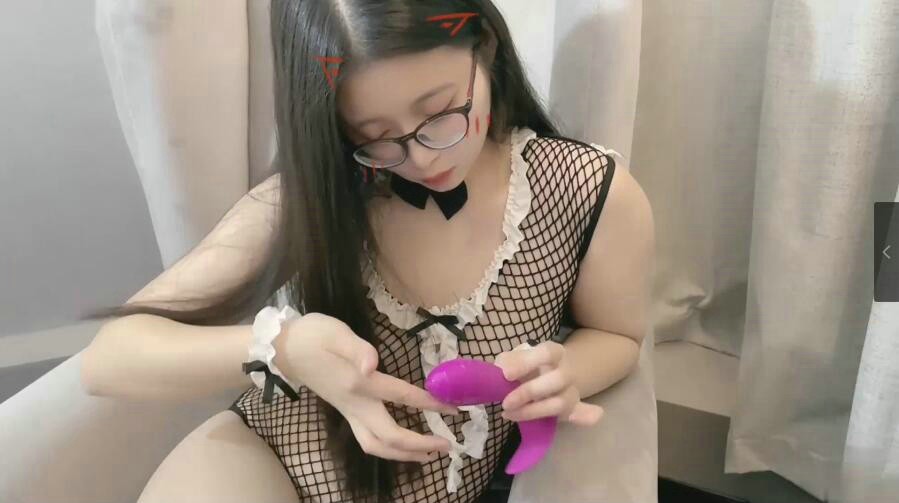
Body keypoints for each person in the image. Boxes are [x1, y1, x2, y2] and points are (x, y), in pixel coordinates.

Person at [79, 1, 655, 502]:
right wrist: (285, 348)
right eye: (374, 136)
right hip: (265, 463)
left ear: (485, 45)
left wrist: (566, 372)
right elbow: (109, 360)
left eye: (440, 112)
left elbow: (619, 336)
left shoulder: (581, 190)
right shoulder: (311, 197)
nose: (421, 159)